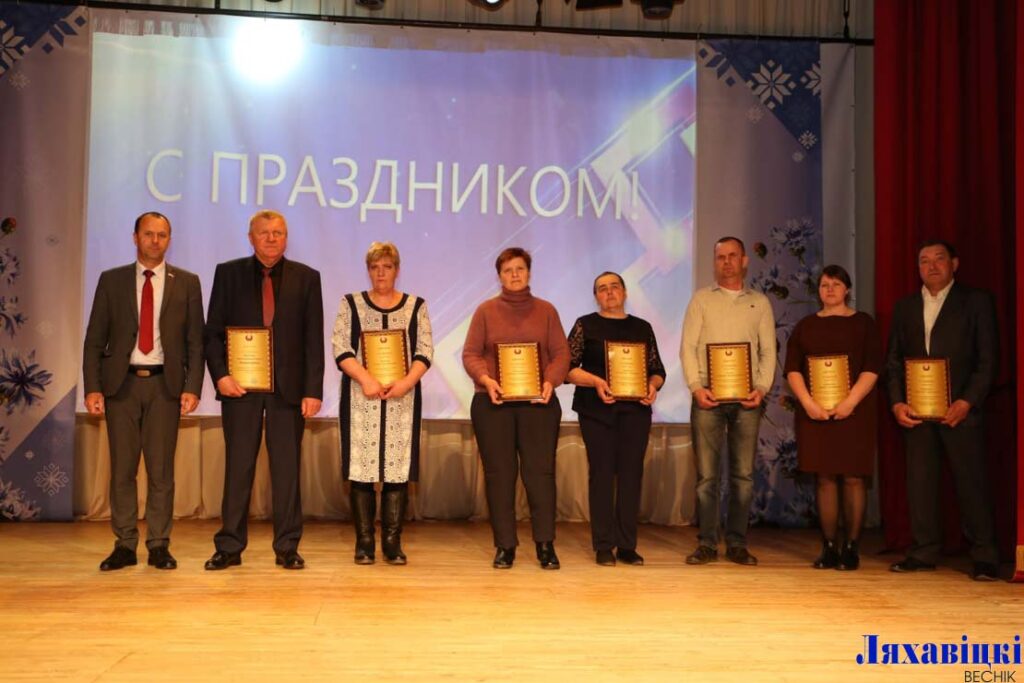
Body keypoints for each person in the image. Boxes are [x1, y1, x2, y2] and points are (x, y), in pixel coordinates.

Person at [82, 211, 204, 571]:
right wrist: (93, 387)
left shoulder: (187, 282)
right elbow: (94, 339)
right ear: (135, 237)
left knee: (161, 471)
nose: (155, 240)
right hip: (121, 387)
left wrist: (192, 387)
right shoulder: (112, 280)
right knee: (122, 469)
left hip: (166, 387)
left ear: (169, 239)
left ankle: (159, 544)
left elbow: (195, 342)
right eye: (149, 234)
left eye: (162, 235)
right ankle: (124, 544)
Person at [203, 210, 324, 571]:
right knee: (238, 468)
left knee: (287, 472)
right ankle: (229, 546)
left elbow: (313, 339)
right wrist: (221, 377)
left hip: (289, 392)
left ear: (286, 238)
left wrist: (313, 390)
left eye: (278, 233)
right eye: (264, 233)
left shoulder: (307, 277)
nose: (272, 238)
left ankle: (287, 547)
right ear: (250, 237)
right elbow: (213, 333)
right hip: (240, 389)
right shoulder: (228, 273)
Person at [885, 239, 999, 581]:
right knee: (920, 484)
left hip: (961, 410)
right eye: (924, 260)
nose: (931, 266)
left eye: (939, 259)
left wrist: (967, 401)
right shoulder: (905, 307)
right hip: (916, 412)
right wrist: (897, 402)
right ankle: (923, 552)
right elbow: (893, 361)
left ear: (954, 263)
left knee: (971, 483)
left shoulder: (976, 301)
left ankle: (985, 556)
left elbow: (988, 360)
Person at [462, 247, 570, 570]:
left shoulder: (547, 311)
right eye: (508, 270)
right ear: (499, 276)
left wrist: (550, 381)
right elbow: (470, 354)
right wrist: (486, 379)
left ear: (529, 273)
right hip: (493, 403)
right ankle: (505, 546)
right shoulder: (485, 311)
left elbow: (561, 354)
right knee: (499, 476)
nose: (514, 275)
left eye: (520, 269)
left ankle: (545, 545)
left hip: (539, 404)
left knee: (540, 475)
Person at [331, 242, 433, 565]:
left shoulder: (416, 306)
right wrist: (365, 379)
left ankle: (392, 542)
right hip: (361, 399)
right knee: (361, 470)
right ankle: (364, 542)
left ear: (397, 270)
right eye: (375, 267)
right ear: (368, 270)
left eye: (387, 267)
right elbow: (341, 348)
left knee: (396, 472)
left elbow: (424, 351)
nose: (381, 273)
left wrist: (405, 383)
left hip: (402, 401)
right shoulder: (351, 304)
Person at [680, 236, 776, 566]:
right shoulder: (701, 299)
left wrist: (761, 388)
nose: (727, 262)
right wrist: (696, 387)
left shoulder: (760, 302)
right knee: (707, 477)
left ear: (744, 261)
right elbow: (688, 347)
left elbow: (768, 351)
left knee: (743, 477)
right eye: (721, 257)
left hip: (748, 398)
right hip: (707, 396)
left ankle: (737, 543)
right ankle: (707, 543)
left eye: (733, 256)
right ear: (714, 262)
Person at [784, 265, 880, 570]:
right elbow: (793, 369)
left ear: (847, 289)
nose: (830, 289)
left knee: (853, 477)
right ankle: (828, 547)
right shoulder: (806, 326)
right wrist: (808, 403)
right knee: (824, 478)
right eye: (825, 284)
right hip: (815, 412)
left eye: (836, 284)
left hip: (855, 412)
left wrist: (850, 402)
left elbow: (872, 367)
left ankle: (851, 547)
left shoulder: (864, 323)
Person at [567, 272, 665, 566]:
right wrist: (596, 382)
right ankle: (603, 545)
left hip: (635, 412)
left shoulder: (642, 327)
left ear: (625, 292)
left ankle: (626, 546)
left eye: (614, 287)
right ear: (596, 296)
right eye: (602, 289)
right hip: (596, 411)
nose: (609, 292)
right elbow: (567, 369)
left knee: (631, 476)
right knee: (601, 475)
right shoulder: (585, 324)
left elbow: (657, 370)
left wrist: (652, 386)